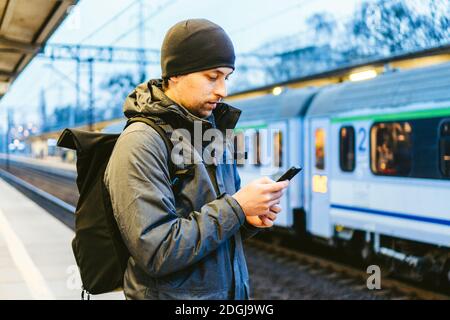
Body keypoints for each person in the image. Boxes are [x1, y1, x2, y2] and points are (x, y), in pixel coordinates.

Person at [104, 18, 289, 300]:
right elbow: (156, 251)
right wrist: (236, 207)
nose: (223, 90)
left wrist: (246, 218)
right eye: (212, 76)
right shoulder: (141, 142)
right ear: (176, 73)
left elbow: (215, 229)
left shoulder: (211, 134)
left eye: (226, 77)